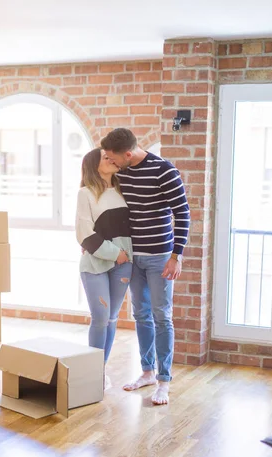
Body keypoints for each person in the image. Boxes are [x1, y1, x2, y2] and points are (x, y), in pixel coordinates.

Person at [101, 128, 190, 405]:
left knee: (162, 316)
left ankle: (164, 381)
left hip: (160, 257)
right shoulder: (122, 172)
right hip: (131, 257)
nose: (112, 163)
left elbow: (183, 213)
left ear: (128, 153)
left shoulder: (164, 170)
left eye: (114, 158)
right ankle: (147, 371)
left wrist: (177, 256)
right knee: (141, 315)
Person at [76, 148, 133, 389]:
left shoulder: (124, 190)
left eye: (111, 156)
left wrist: (124, 255)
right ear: (93, 165)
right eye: (104, 157)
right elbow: (84, 234)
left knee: (111, 319)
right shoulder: (86, 194)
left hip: (123, 265)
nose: (110, 159)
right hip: (96, 264)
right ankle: (92, 373)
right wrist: (115, 253)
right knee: (100, 318)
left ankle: (100, 369)